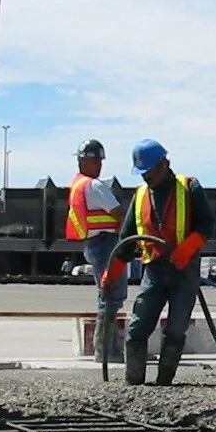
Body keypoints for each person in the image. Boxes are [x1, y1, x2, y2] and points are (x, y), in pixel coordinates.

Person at [104, 139, 215, 387]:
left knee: (176, 329)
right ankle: (134, 383)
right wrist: (112, 273)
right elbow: (127, 239)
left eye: (150, 171)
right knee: (138, 328)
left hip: (184, 271)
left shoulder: (189, 187)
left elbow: (207, 224)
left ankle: (165, 383)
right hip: (153, 270)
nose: (146, 177)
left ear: (165, 164)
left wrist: (187, 249)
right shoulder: (141, 195)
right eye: (142, 172)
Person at [64, 139, 125, 362]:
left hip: (94, 244)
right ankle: (107, 351)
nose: (98, 165)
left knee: (109, 295)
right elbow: (119, 212)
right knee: (112, 296)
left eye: (99, 160)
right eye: (94, 160)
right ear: (83, 161)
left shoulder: (77, 185)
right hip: (106, 243)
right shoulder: (94, 186)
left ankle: (112, 350)